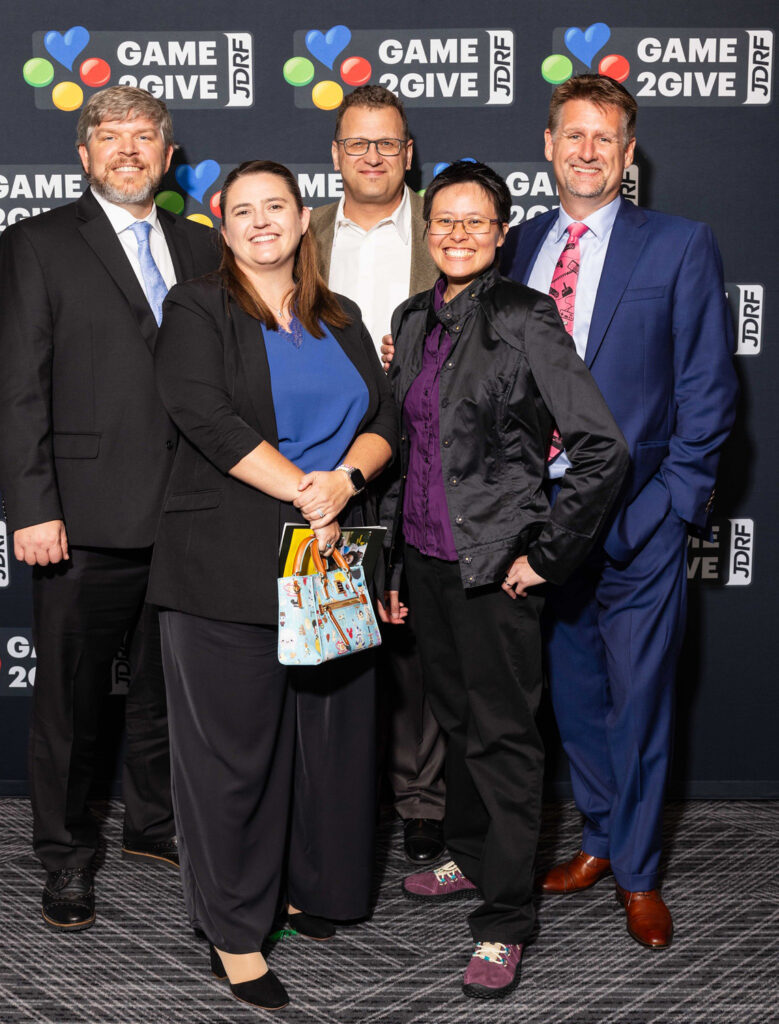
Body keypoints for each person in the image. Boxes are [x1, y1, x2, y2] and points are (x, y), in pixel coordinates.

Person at [146, 161, 397, 1010]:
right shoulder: (196, 308)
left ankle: (307, 888)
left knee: (325, 742)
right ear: (224, 229)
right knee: (232, 759)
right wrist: (305, 488)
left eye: (275, 207)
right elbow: (202, 415)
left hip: (331, 562)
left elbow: (383, 419)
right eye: (242, 211)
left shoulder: (342, 316)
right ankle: (233, 931)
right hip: (225, 561)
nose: (260, 222)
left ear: (302, 218)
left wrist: (344, 486)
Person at [379, 160, 629, 998]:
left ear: (499, 233)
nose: (455, 235)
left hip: (496, 571)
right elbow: (406, 454)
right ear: (428, 231)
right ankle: (474, 856)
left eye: (473, 222)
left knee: (506, 742)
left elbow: (602, 449)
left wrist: (546, 553)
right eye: (442, 222)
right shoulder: (411, 318)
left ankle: (504, 921)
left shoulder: (525, 317)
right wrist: (394, 563)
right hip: (425, 560)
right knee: (454, 723)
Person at [500, 74, 738, 948]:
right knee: (575, 695)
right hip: (539, 528)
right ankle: (598, 838)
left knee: (639, 703)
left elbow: (707, 390)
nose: (587, 150)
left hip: (639, 519)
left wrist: (672, 507)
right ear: (549, 145)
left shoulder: (678, 245)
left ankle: (637, 873)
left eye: (605, 137)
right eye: (573, 134)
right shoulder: (517, 244)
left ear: (627, 152)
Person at [0, 86, 219, 932]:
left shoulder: (201, 246)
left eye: (144, 135)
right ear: (83, 156)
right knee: (71, 706)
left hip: (192, 518)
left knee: (170, 693)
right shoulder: (37, 243)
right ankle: (65, 857)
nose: (128, 148)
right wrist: (33, 508)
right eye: (109, 136)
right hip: (80, 520)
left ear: (166, 154)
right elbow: (13, 389)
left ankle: (154, 826)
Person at [310, 84, 444, 865]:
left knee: (417, 635)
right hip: (327, 459)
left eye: (386, 143)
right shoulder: (301, 234)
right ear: (335, 155)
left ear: (407, 153)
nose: (371, 156)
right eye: (357, 143)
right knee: (330, 629)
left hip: (426, 454)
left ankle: (422, 800)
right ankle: (337, 793)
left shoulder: (445, 225)